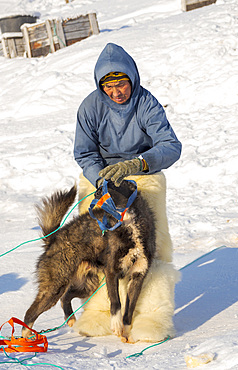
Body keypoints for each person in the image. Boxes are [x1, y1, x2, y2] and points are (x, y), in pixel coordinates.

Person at [73, 43, 181, 343]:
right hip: (102, 180)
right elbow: (84, 153)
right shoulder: (90, 107)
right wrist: (99, 178)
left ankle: (151, 315)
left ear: (132, 79)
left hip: (142, 177)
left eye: (121, 83)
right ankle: (99, 312)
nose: (117, 91)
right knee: (96, 251)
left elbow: (171, 145)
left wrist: (140, 162)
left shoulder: (146, 103)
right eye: (109, 85)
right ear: (100, 85)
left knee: (151, 249)